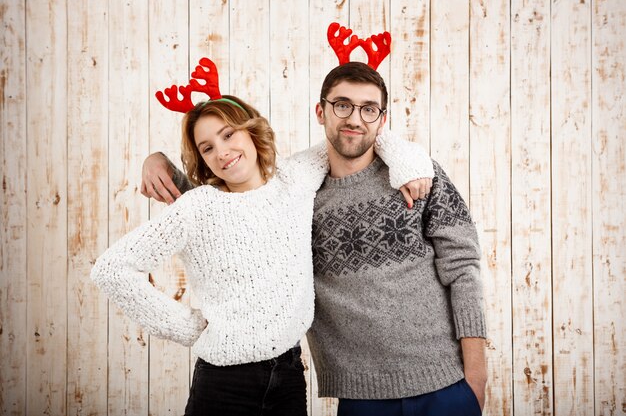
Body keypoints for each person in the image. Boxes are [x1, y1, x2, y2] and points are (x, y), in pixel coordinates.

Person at [93, 88, 434, 415]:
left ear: (251, 131)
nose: (222, 152)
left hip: (288, 376)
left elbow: (352, 137)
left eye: (228, 135)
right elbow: (112, 269)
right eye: (207, 148)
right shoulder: (197, 207)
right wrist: (189, 328)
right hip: (224, 383)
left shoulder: (294, 178)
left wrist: (410, 165)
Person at [307, 62, 487, 416]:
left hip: (446, 385)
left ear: (382, 119)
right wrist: (163, 163)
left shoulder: (420, 175)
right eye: (342, 105)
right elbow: (236, 211)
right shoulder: (300, 198)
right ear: (320, 111)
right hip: (360, 395)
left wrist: (476, 378)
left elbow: (463, 269)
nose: (354, 119)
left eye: (368, 109)